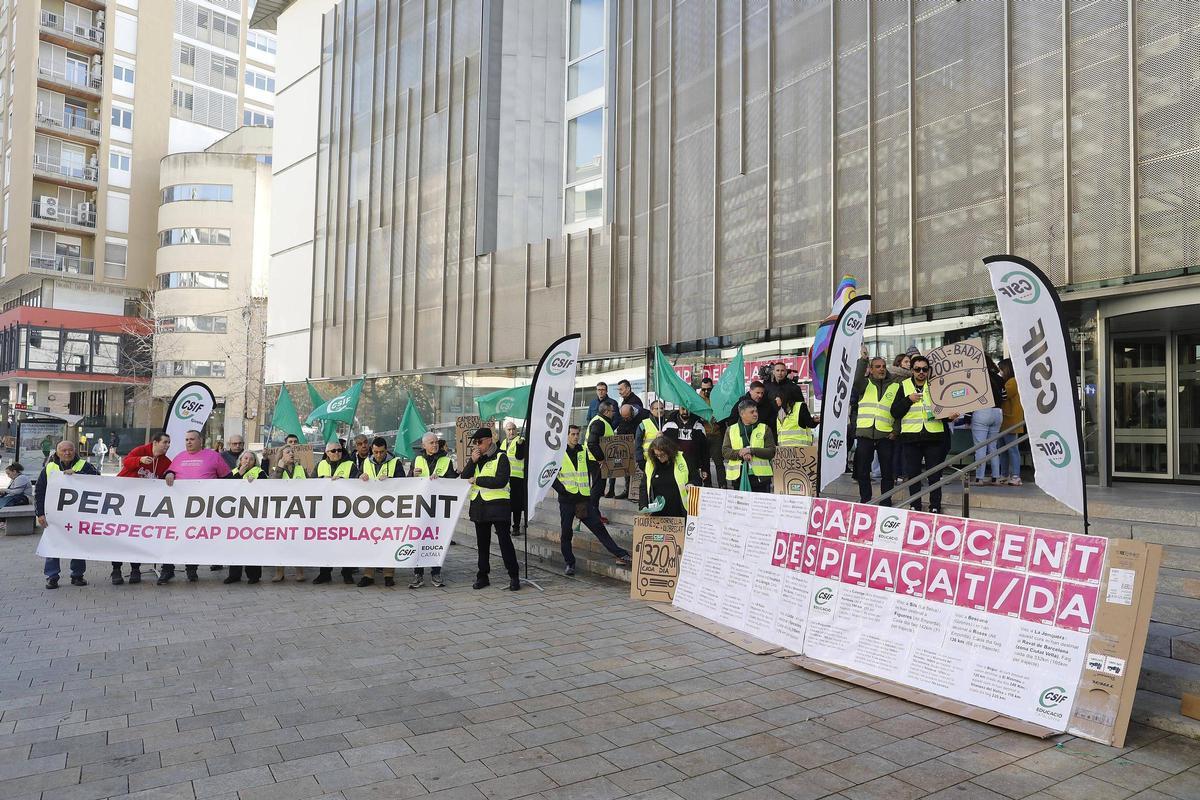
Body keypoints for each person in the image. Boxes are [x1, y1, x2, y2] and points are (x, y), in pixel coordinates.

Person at [552, 425, 631, 576]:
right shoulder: (558, 453)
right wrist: (562, 490)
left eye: (577, 434)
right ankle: (570, 563)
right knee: (566, 533)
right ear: (566, 436)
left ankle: (620, 553)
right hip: (567, 500)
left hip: (583, 500)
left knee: (599, 528)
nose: (576, 437)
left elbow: (594, 468)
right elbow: (551, 476)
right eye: (573, 434)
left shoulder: (583, 450)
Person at [162, 430, 232, 583]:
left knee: (193, 539)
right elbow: (170, 471)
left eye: (192, 439)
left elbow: (228, 479)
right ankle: (167, 570)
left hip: (204, 508)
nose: (188, 442)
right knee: (171, 538)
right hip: (180, 506)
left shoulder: (213, 456)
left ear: (200, 441)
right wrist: (169, 473)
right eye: (186, 439)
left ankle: (191, 570)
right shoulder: (179, 457)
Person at [891, 355, 959, 513]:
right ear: (912, 370)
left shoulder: (936, 385)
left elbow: (944, 411)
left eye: (924, 369)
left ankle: (935, 505)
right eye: (917, 369)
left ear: (928, 371)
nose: (921, 372)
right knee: (913, 475)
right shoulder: (904, 386)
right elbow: (895, 412)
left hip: (934, 437)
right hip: (911, 437)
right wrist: (908, 399)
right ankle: (915, 504)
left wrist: (950, 417)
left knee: (934, 475)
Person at [460, 427, 519, 591]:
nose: (477, 445)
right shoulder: (477, 459)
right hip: (480, 507)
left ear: (489, 440)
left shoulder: (501, 457)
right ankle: (482, 576)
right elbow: (464, 478)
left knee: (504, 543)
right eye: (475, 443)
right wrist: (472, 461)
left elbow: (500, 480)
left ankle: (514, 576)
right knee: (482, 544)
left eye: (479, 442)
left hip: (498, 507)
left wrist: (478, 480)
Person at [36, 441, 98, 589]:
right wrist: (40, 513)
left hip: (78, 515)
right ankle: (52, 577)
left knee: (78, 545)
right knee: (53, 545)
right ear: (57, 452)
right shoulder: (49, 467)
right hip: (54, 516)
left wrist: (78, 475)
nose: (67, 453)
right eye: (63, 450)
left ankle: (77, 575)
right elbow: (39, 491)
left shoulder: (84, 465)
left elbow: (98, 480)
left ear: (75, 450)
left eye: (70, 450)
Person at [113, 432, 173, 585]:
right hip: (124, 500)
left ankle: (135, 569)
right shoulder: (141, 451)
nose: (167, 445)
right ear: (155, 442)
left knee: (136, 537)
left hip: (142, 505)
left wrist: (170, 473)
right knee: (119, 536)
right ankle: (116, 569)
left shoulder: (165, 461)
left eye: (168, 443)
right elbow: (127, 462)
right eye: (164, 442)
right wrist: (139, 460)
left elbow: (167, 474)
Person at [409, 432, 456, 588]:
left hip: (438, 509)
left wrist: (441, 480)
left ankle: (436, 572)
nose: (435, 445)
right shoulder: (417, 460)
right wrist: (412, 475)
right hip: (420, 507)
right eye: (431, 442)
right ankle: (418, 574)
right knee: (418, 540)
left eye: (436, 442)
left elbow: (451, 482)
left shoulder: (446, 461)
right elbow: (407, 483)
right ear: (424, 446)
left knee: (436, 540)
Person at [850, 356, 900, 504]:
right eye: (877, 366)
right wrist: (863, 360)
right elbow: (856, 380)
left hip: (886, 434)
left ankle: (886, 501)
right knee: (862, 471)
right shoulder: (864, 384)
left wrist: (895, 431)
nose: (881, 369)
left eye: (883, 366)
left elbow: (898, 411)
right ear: (871, 370)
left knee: (887, 471)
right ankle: (866, 499)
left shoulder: (895, 385)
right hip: (865, 434)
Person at [358, 436, 403, 588]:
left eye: (381, 452)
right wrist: (360, 476)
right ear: (372, 449)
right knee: (370, 542)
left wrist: (391, 479)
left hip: (389, 510)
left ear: (386, 449)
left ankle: (388, 574)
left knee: (389, 541)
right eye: (376, 452)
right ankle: (368, 574)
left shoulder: (395, 462)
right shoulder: (365, 462)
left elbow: (404, 482)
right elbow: (356, 480)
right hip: (370, 510)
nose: (378, 455)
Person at [312, 440, 359, 584]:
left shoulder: (350, 465)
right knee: (325, 543)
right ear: (326, 453)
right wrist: (322, 480)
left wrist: (344, 481)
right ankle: (325, 572)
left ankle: (347, 572)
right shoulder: (320, 465)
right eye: (333, 451)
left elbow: (357, 482)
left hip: (345, 510)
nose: (337, 453)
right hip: (325, 511)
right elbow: (310, 483)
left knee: (346, 543)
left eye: (339, 450)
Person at [225, 452, 265, 585]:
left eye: (251, 459)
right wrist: (239, 475)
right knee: (235, 545)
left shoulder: (259, 472)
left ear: (255, 462)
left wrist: (255, 483)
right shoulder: (234, 472)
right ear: (240, 460)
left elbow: (267, 487)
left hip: (253, 513)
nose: (248, 461)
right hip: (236, 514)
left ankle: (253, 575)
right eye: (245, 458)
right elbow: (225, 488)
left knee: (252, 546)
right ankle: (234, 574)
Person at [269, 445, 307, 581]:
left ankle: (300, 571)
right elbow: (272, 485)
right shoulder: (275, 470)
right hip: (281, 511)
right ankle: (279, 572)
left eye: (292, 452)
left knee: (298, 541)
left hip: (298, 510)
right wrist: (280, 468)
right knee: (280, 542)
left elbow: (311, 486)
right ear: (281, 456)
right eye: (288, 452)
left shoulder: (300, 469)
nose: (291, 454)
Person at [723, 398, 776, 493]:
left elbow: (771, 451)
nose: (755, 414)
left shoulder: (765, 428)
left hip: (760, 479)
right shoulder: (731, 429)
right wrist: (740, 453)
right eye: (752, 412)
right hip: (738, 478)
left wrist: (751, 451)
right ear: (742, 414)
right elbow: (725, 451)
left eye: (756, 411)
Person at [970, 355, 1008, 486]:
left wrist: (969, 416)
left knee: (980, 447)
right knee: (993, 447)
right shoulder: (998, 378)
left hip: (982, 411)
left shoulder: (976, 377)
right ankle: (995, 477)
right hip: (997, 412)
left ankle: (979, 478)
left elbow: (971, 398)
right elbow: (1004, 396)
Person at [645, 436, 697, 518]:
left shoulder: (684, 459)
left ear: (669, 451)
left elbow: (696, 477)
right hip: (657, 513)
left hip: (679, 511)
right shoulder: (651, 464)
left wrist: (691, 484)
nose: (659, 458)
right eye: (656, 455)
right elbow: (644, 486)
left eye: (662, 455)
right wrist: (643, 506)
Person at [662, 405, 709, 486]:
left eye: (687, 409)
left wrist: (705, 469)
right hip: (674, 464)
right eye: (683, 409)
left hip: (693, 466)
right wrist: (660, 438)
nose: (685, 412)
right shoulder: (668, 425)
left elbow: (704, 450)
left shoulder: (699, 426)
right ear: (679, 408)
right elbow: (663, 448)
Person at [586, 402, 616, 521]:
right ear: (607, 412)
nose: (613, 413)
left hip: (597, 460)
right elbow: (592, 443)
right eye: (612, 411)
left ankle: (593, 513)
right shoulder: (599, 422)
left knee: (599, 487)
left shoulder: (601, 421)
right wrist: (600, 458)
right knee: (598, 487)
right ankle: (593, 514)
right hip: (596, 461)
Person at [999, 357, 1025, 486]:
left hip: (1011, 421)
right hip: (1005, 421)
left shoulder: (1013, 381)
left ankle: (1016, 475)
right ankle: (1004, 474)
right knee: (1002, 450)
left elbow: (1003, 395)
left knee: (1012, 450)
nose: (1000, 373)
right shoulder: (1010, 381)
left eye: (1001, 369)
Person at [698, 377, 725, 488]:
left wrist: (718, 418)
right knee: (705, 463)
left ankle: (722, 486)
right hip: (703, 434)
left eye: (708, 389)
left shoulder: (718, 398)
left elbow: (724, 413)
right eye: (704, 389)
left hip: (716, 434)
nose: (706, 392)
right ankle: (708, 486)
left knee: (719, 462)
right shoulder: (698, 399)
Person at [501, 421, 527, 533]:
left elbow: (520, 456)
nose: (511, 431)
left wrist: (520, 446)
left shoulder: (521, 440)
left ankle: (516, 526)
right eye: (509, 429)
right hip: (505, 478)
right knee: (505, 503)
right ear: (505, 431)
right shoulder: (503, 442)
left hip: (517, 477)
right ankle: (505, 526)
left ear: (516, 430)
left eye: (513, 429)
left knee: (516, 504)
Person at [763, 362, 803, 429]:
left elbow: (801, 406)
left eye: (782, 370)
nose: (780, 373)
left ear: (786, 372)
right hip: (771, 425)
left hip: (789, 425)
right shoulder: (767, 387)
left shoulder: (794, 388)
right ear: (773, 372)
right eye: (777, 370)